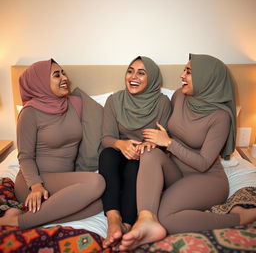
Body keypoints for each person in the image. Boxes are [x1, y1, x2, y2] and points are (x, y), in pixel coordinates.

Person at [119, 54, 256, 250]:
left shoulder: (220, 116)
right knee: (149, 153)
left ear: (206, 78)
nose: (182, 75)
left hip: (206, 178)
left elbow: (203, 163)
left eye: (189, 72)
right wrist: (152, 141)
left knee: (167, 219)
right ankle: (146, 218)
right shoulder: (179, 96)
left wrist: (168, 142)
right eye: (184, 70)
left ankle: (239, 217)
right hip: (177, 172)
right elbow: (167, 130)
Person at [0, 59, 105, 229]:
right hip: (36, 182)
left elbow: (100, 120)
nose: (64, 78)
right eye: (57, 75)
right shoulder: (29, 113)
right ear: (40, 82)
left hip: (65, 181)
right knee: (97, 182)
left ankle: (30, 217)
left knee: (102, 203)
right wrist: (35, 186)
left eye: (63, 73)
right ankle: (17, 222)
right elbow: (25, 157)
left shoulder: (74, 103)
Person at [98, 56, 171, 248]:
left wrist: (144, 146)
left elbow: (164, 140)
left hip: (145, 159)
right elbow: (106, 138)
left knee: (135, 165)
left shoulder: (162, 103)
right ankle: (113, 220)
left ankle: (128, 225)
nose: (133, 76)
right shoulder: (114, 101)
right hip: (118, 155)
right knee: (107, 154)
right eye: (130, 71)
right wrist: (121, 144)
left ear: (152, 78)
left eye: (141, 72)